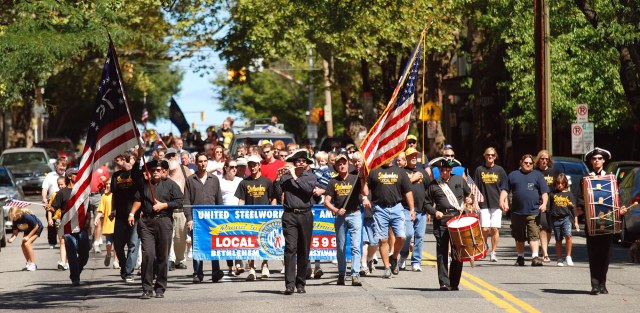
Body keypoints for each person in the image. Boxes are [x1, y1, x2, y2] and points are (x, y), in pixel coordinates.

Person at [129, 159, 184, 299]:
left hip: (164, 222)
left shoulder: (170, 185)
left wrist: (164, 205)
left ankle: (160, 287)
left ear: (163, 171)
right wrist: (132, 213)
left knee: (162, 256)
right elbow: (137, 195)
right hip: (147, 223)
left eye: (158, 170)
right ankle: (147, 288)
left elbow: (180, 201)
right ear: (149, 171)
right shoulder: (144, 184)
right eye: (153, 170)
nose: (155, 173)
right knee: (148, 255)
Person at [580, 147, 631, 295]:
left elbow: (616, 198)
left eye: (599, 159)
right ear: (591, 161)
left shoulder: (611, 178)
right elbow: (580, 199)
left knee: (606, 254)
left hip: (608, 222)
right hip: (593, 223)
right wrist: (582, 210)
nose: (596, 161)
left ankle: (603, 283)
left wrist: (620, 211)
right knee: (594, 253)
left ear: (604, 161)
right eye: (594, 159)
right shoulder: (586, 179)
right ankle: (595, 284)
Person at [425, 158, 474, 291]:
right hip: (441, 220)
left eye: (447, 170)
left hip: (458, 218)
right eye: (442, 170)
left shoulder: (459, 179)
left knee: (458, 251)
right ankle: (444, 282)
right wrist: (435, 212)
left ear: (451, 170)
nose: (444, 173)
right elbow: (426, 203)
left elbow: (470, 193)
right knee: (441, 252)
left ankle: (454, 282)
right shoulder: (434, 185)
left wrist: (470, 198)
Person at [364, 158, 415, 278]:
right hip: (379, 208)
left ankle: (394, 257)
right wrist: (365, 197)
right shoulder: (374, 171)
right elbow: (366, 188)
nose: (387, 157)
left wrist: (412, 209)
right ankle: (387, 268)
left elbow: (408, 191)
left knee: (402, 236)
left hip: (397, 207)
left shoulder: (400, 171)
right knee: (382, 239)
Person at [280, 149, 318, 294]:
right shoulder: (286, 176)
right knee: (290, 248)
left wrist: (295, 176)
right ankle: (289, 284)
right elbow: (277, 192)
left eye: (303, 161)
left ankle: (300, 283)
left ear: (307, 164)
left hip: (306, 215)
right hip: (290, 215)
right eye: (298, 161)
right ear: (294, 163)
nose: (300, 163)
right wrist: (278, 180)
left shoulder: (311, 176)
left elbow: (308, 190)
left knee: (304, 249)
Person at [499, 154, 549, 267]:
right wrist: (501, 200)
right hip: (517, 212)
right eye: (526, 162)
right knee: (519, 236)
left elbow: (544, 193)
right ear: (521, 163)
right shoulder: (513, 175)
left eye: (530, 163)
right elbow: (505, 189)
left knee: (534, 235)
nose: (528, 164)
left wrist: (544, 204)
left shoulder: (538, 176)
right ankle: (520, 257)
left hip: (533, 211)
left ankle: (535, 257)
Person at [324, 154, 365, 286]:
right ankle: (342, 273)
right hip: (340, 216)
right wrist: (336, 210)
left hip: (355, 214)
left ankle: (355, 274)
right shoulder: (333, 181)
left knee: (355, 246)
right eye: (339, 164)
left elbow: (365, 192)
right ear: (335, 166)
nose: (342, 166)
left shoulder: (355, 178)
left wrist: (363, 178)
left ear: (348, 164)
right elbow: (326, 202)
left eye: (344, 163)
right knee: (341, 247)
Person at [184, 153, 225, 283]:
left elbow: (219, 201)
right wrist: (189, 218)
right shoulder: (190, 180)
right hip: (196, 219)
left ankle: (216, 271)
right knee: (197, 246)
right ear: (196, 163)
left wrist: (221, 218)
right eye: (200, 161)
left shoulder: (214, 179)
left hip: (212, 219)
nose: (203, 163)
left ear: (207, 162)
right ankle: (197, 273)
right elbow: (186, 201)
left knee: (214, 245)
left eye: (205, 161)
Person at [234, 155, 277, 280]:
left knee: (265, 241)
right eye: (250, 165)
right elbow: (241, 200)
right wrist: (239, 214)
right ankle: (252, 268)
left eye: (255, 165)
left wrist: (273, 211)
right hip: (249, 217)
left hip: (265, 215)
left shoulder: (267, 181)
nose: (252, 167)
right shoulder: (244, 182)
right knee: (251, 243)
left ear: (259, 166)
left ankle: (265, 265)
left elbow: (273, 198)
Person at [55, 168, 92, 286]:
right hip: (68, 229)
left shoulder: (82, 192)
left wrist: (87, 224)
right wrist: (50, 210)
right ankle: (75, 278)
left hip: (82, 228)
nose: (78, 176)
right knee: (71, 254)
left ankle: (75, 272)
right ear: (69, 177)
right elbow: (54, 207)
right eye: (76, 174)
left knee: (85, 253)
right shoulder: (62, 193)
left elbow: (88, 210)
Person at [111, 150, 143, 283]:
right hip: (120, 216)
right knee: (118, 246)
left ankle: (129, 272)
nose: (118, 161)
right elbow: (114, 194)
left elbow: (138, 160)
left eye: (120, 159)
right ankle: (124, 267)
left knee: (133, 244)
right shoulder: (116, 176)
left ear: (127, 160)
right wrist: (112, 209)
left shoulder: (136, 173)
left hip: (134, 216)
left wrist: (139, 155)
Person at [398, 147, 431, 272]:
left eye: (415, 155)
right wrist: (412, 179)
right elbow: (399, 189)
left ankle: (416, 261)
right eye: (410, 155)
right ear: (406, 158)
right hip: (406, 209)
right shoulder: (401, 172)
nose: (413, 157)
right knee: (408, 234)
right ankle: (403, 255)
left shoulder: (422, 171)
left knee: (419, 236)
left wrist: (429, 209)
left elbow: (429, 190)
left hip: (421, 209)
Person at [473, 147, 507, 262]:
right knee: (485, 228)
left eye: (492, 155)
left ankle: (493, 252)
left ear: (495, 156)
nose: (490, 157)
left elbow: (504, 188)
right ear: (485, 156)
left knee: (494, 229)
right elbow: (475, 187)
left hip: (496, 203)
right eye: (488, 155)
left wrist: (505, 202)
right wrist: (475, 202)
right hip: (483, 203)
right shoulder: (479, 170)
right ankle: (484, 247)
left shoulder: (500, 170)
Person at [218, 159, 245, 276]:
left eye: (236, 167)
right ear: (226, 168)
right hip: (224, 215)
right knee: (227, 241)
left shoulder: (240, 180)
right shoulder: (219, 181)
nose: (235, 169)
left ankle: (238, 264)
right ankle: (230, 266)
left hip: (238, 214)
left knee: (238, 239)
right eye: (232, 167)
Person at [166, 148, 190, 271]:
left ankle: (179, 260)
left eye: (173, 155)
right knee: (169, 235)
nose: (171, 158)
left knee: (181, 237)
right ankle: (170, 259)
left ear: (177, 156)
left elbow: (191, 188)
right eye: (168, 156)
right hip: (167, 210)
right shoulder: (164, 172)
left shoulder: (185, 171)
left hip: (182, 210)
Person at [549, 173, 578, 267]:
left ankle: (568, 256)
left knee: (568, 235)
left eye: (562, 183)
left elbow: (574, 209)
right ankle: (559, 258)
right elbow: (549, 208)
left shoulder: (569, 194)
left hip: (566, 218)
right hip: (555, 219)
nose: (560, 185)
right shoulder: (552, 194)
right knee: (558, 239)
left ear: (565, 184)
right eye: (558, 183)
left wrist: (576, 222)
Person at [534, 150, 556, 263]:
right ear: (538, 160)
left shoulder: (552, 171)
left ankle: (544, 250)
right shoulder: (535, 172)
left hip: (551, 202)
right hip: (539, 201)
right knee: (542, 226)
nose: (544, 161)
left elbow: (559, 185)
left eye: (546, 159)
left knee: (548, 229)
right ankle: (545, 254)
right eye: (542, 158)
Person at [41, 157, 67, 249]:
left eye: (64, 167)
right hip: (52, 201)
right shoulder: (50, 176)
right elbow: (45, 188)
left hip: (64, 201)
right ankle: (52, 242)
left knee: (63, 221)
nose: (62, 169)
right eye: (61, 166)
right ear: (56, 166)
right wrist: (44, 198)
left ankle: (64, 240)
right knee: (51, 221)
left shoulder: (67, 175)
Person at [7, 206, 43, 271]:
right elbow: (15, 232)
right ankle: (28, 262)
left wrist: (28, 237)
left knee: (27, 244)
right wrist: (12, 239)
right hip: (28, 230)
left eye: (14, 216)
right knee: (23, 245)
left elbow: (36, 226)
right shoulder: (15, 220)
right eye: (11, 217)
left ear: (18, 213)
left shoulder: (26, 216)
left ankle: (33, 264)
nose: (13, 218)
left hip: (37, 228)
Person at [47, 176, 69, 270]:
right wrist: (50, 219)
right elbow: (50, 208)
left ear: (66, 183)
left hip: (68, 219)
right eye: (59, 185)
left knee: (68, 240)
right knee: (61, 240)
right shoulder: (55, 194)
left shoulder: (69, 193)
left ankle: (68, 261)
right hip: (58, 219)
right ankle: (63, 261)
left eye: (62, 184)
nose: (60, 186)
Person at [95, 181, 117, 268]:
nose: (108, 185)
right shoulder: (104, 196)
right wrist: (97, 218)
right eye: (107, 184)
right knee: (108, 244)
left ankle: (116, 261)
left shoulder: (119, 195)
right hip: (108, 223)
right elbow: (101, 210)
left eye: (110, 183)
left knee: (117, 244)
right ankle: (108, 254)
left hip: (117, 223)